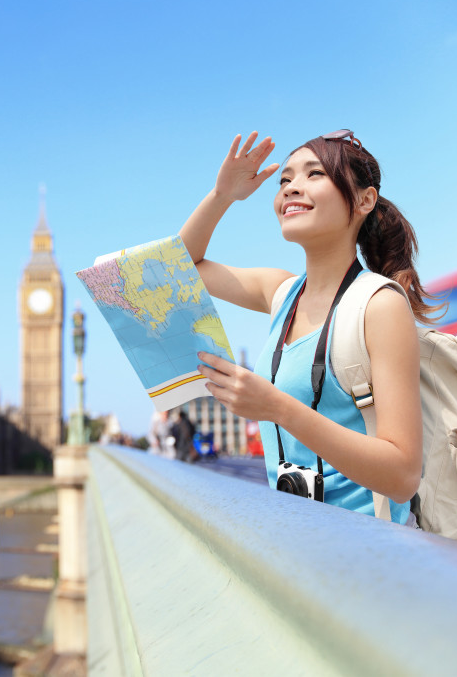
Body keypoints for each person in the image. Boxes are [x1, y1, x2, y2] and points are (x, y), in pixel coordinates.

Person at [180, 130, 436, 524]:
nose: (291, 189)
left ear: (365, 200)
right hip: (297, 544)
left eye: (314, 174)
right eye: (284, 180)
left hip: (371, 559)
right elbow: (180, 268)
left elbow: (402, 476)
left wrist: (277, 407)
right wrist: (223, 195)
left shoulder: (378, 304)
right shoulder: (281, 293)